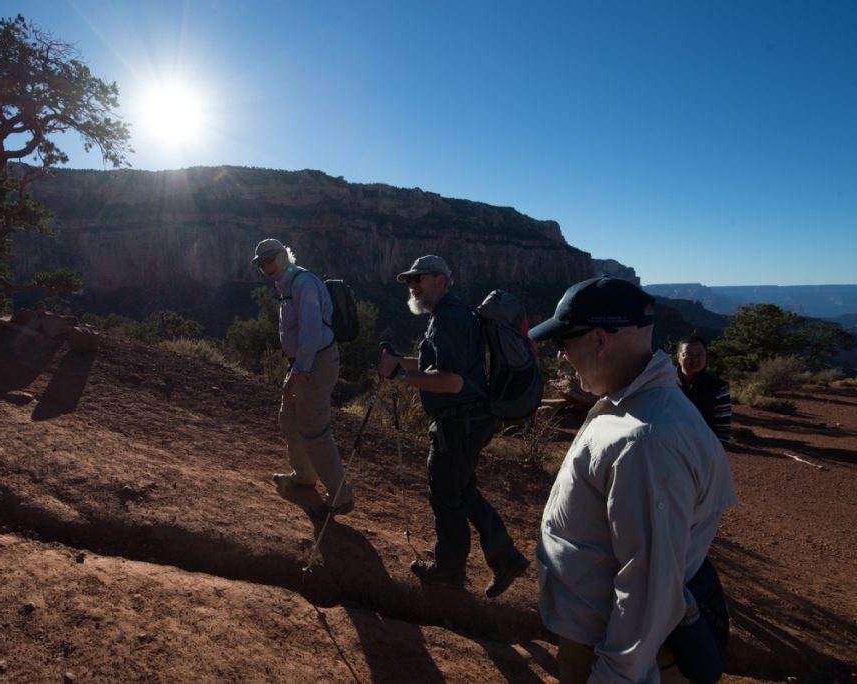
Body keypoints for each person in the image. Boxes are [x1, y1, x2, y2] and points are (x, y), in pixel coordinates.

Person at [529, 276, 737, 683]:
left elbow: (649, 588)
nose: (561, 358)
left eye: (564, 344)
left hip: (609, 652)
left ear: (600, 340)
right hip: (605, 638)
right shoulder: (637, 405)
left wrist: (614, 676)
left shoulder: (645, 440)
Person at [378, 255, 530, 598]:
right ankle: (506, 558)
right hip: (470, 420)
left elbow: (451, 382)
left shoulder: (448, 319)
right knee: (462, 492)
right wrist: (399, 362)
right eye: (410, 281)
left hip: (460, 423)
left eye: (420, 279)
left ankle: (450, 570)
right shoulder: (451, 315)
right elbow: (438, 364)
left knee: (446, 495)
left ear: (442, 281)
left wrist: (400, 375)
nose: (413, 285)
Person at [252, 238, 354, 520]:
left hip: (315, 363)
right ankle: (304, 477)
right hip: (303, 362)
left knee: (314, 429)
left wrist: (298, 374)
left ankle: (340, 496)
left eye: (269, 259)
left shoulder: (302, 283)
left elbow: (311, 334)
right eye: (261, 264)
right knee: (289, 418)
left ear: (284, 256)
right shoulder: (286, 283)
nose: (265, 267)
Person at [676, 335, 732, 447]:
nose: (695, 359)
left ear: (706, 357)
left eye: (699, 354)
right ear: (678, 357)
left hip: (702, 450)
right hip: (667, 448)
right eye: (688, 354)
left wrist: (716, 455)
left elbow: (723, 428)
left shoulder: (718, 387)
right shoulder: (664, 382)